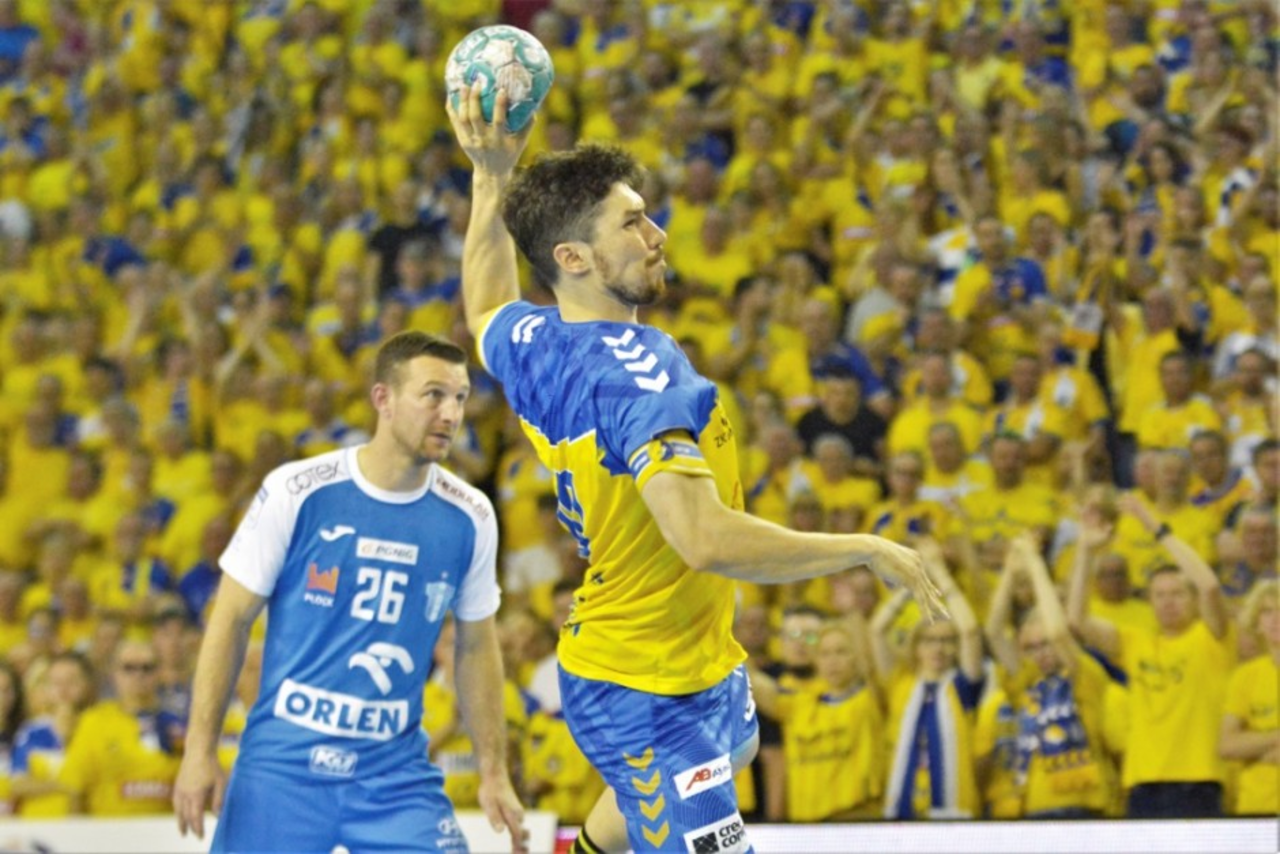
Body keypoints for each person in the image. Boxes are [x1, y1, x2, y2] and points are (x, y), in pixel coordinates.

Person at [448, 87, 944, 854]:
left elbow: (485, 308)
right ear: (572, 259)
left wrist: (489, 177)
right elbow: (704, 539)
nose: (656, 234)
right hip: (640, 687)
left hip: (700, 660)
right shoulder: (637, 379)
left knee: (733, 751)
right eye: (631, 223)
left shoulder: (542, 344)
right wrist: (865, 548)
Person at [172, 331, 526, 853]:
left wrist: (493, 771)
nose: (451, 414)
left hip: (393, 776)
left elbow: (476, 646)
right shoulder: (298, 491)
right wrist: (199, 751)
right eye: (433, 395)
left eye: (460, 397)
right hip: (283, 770)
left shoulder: (470, 515)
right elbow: (230, 620)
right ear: (383, 398)